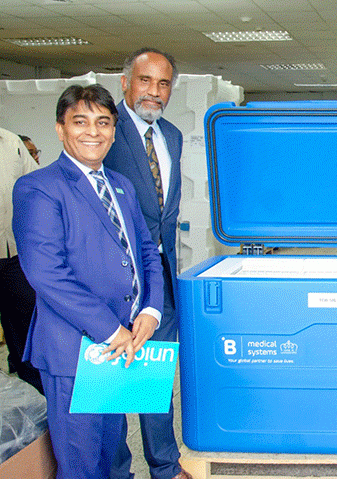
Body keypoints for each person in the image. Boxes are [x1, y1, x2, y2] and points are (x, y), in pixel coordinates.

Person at [12, 84, 164, 479]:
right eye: (80, 122)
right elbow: (46, 273)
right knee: (80, 464)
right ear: (61, 129)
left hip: (123, 344)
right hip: (75, 350)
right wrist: (110, 328)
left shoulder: (120, 185)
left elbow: (147, 251)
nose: (93, 132)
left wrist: (150, 311)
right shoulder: (39, 187)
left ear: (114, 131)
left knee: (109, 453)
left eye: (103, 122)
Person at [103, 48, 189, 479]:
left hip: (162, 282)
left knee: (156, 379)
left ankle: (165, 465)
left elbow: (162, 214)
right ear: (125, 83)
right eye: (145, 81)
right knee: (115, 383)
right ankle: (119, 471)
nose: (153, 92)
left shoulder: (171, 135)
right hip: (115, 284)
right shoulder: (106, 131)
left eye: (163, 83)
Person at [0, 127, 41, 392]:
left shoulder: (10, 142)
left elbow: (34, 191)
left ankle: (36, 403)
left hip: (12, 256)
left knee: (25, 333)